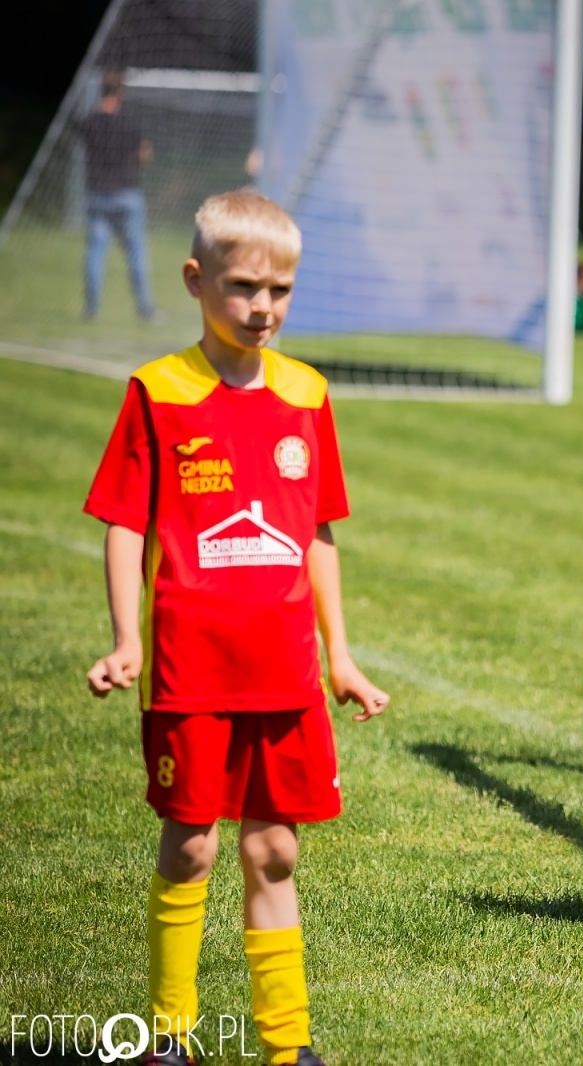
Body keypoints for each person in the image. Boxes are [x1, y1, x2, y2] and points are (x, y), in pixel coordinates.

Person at [83, 189, 389, 1066]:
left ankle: (288, 1047)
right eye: (243, 286)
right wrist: (127, 639)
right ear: (196, 280)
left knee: (275, 851)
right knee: (191, 848)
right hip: (190, 669)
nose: (263, 307)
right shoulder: (158, 392)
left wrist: (341, 657)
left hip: (286, 673)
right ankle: (167, 1039)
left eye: (279, 290)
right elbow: (125, 524)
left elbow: (316, 532)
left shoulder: (307, 394)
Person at [80, 68, 157, 322]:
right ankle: (145, 308)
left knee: (95, 252)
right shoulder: (129, 121)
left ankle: (92, 308)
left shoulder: (88, 121)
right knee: (136, 252)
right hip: (126, 193)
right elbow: (143, 156)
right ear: (121, 91)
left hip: (97, 194)